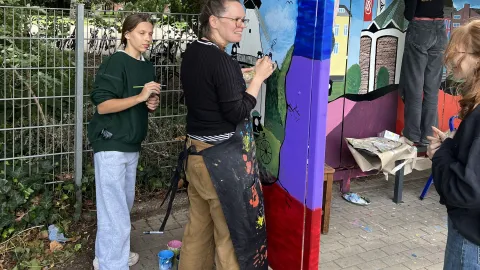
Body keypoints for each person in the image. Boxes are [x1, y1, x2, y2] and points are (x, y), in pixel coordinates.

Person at [178, 0, 275, 269]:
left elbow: (212, 86)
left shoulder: (194, 51)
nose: (241, 25)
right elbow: (237, 113)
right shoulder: (222, 60)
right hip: (218, 165)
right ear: (213, 21)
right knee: (230, 236)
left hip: (195, 156)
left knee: (197, 231)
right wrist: (257, 79)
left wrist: (240, 76)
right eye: (235, 19)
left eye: (243, 20)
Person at [87, 13, 161, 270]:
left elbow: (141, 102)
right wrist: (141, 97)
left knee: (121, 207)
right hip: (111, 144)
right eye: (142, 32)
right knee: (114, 211)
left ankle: (109, 255)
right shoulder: (115, 62)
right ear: (127, 34)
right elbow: (103, 106)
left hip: (132, 143)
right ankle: (112, 264)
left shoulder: (146, 65)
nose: (148, 38)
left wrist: (150, 103)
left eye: (150, 33)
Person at [427, 19, 480, 270]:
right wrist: (452, 143)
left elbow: (466, 189)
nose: (453, 60)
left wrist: (440, 154)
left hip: (471, 240)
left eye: (459, 51)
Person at [399, 0, 447, 146]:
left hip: (420, 29)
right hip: (440, 29)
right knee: (432, 90)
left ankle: (412, 134)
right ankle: (428, 137)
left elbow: (409, 14)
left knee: (415, 85)